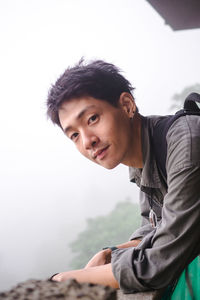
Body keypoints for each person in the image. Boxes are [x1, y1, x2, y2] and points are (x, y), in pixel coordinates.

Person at [46, 59, 200, 293]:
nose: (88, 141)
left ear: (127, 105)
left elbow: (159, 262)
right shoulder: (142, 161)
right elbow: (155, 226)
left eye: (92, 119)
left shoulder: (185, 143)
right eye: (75, 135)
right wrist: (111, 252)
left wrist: (67, 280)